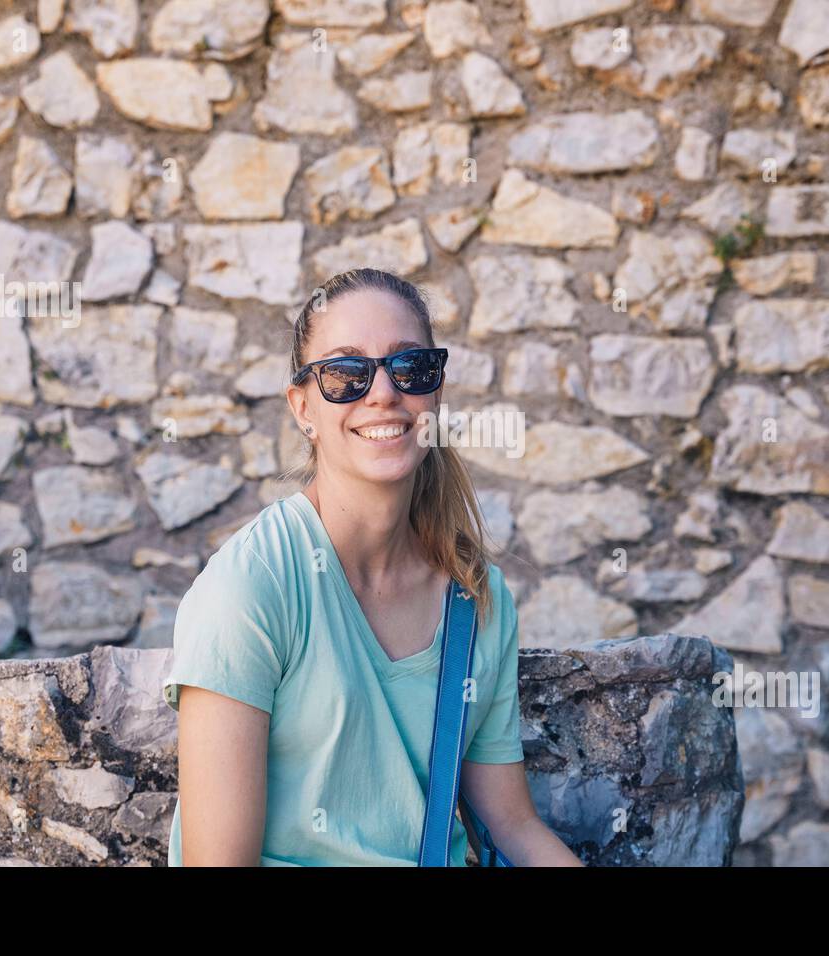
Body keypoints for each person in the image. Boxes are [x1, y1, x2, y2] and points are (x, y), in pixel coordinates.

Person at [162, 267, 583, 866]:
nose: (383, 394)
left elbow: (513, 825)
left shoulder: (474, 596)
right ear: (302, 407)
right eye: (345, 372)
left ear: (434, 391)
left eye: (409, 367)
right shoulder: (254, 586)